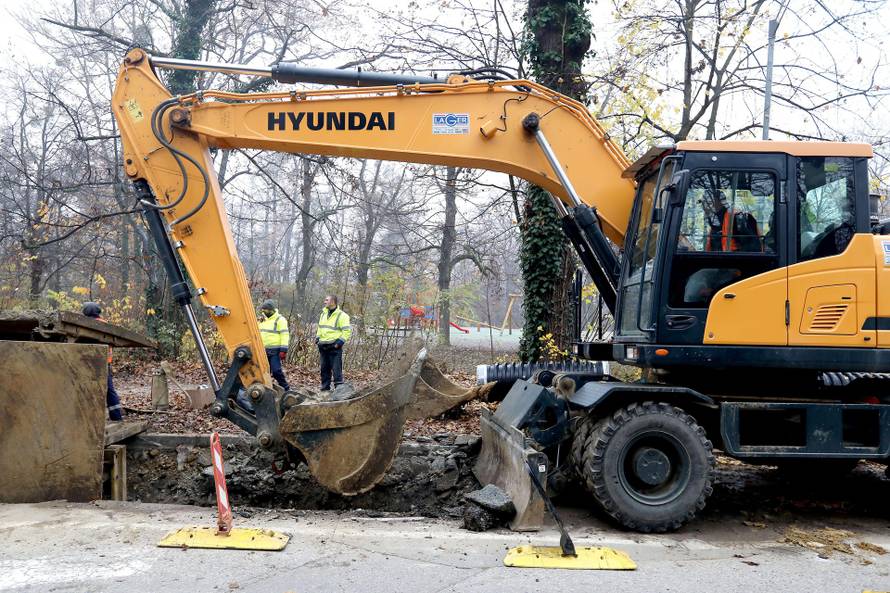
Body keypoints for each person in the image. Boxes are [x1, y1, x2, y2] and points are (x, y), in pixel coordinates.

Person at [82, 302, 124, 421]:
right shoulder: (106, 324)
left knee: (88, 389)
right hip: (105, 362)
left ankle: (90, 418)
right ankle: (116, 417)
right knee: (109, 390)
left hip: (88, 362)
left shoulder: (84, 324)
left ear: (85, 312)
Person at [315, 295, 352, 391]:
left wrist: (339, 343)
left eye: (326, 300)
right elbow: (320, 328)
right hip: (323, 346)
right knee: (324, 369)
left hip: (334, 346)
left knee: (336, 370)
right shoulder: (323, 314)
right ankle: (325, 389)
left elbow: (347, 331)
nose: (324, 302)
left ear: (332, 302)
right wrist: (318, 338)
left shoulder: (342, 316)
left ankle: (339, 391)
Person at [258, 299, 290, 391]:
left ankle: (286, 389)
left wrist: (283, 350)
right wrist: (258, 321)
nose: (263, 312)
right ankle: (266, 388)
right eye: (263, 310)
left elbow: (284, 335)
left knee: (276, 371)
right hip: (263, 350)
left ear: (271, 310)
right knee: (263, 372)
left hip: (275, 351)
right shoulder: (262, 320)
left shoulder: (280, 320)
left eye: (265, 310)